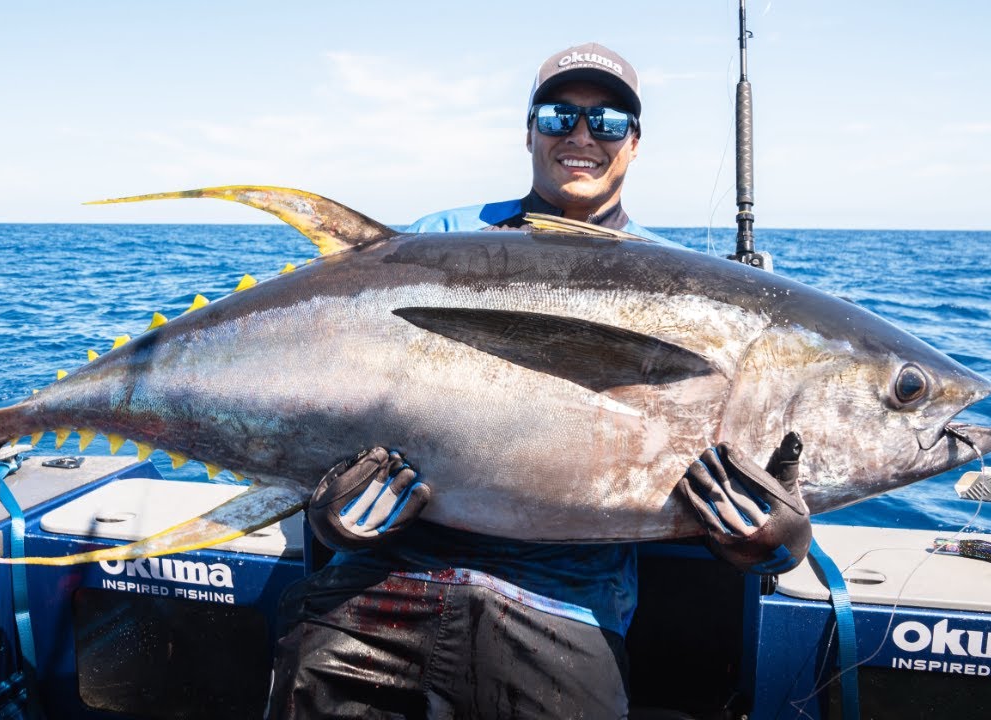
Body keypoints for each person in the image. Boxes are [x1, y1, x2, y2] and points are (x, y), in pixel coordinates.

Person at [267, 43, 812, 720]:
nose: (582, 136)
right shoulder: (441, 238)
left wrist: (776, 546)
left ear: (635, 144)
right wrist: (327, 513)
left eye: (608, 122)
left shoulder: (687, 290)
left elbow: (740, 501)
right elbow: (325, 380)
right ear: (529, 132)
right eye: (560, 116)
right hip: (383, 582)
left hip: (564, 610)